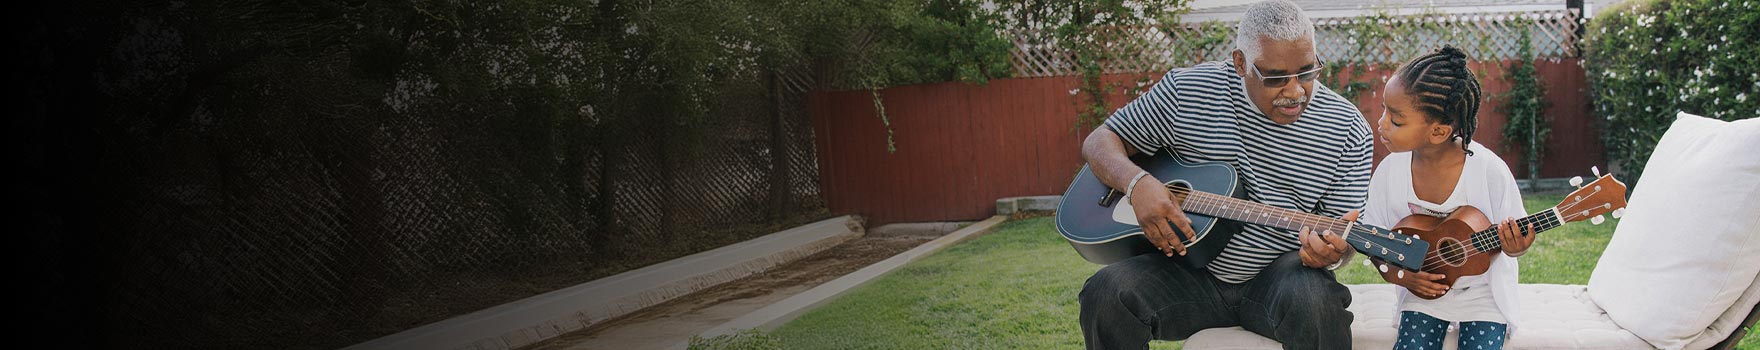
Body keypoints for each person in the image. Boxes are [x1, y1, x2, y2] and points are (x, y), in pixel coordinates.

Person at [1075, 1, 1372, 348]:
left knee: (1317, 302)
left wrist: (1332, 253)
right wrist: (1137, 184)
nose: (1295, 91)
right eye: (1275, 77)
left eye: (1308, 72)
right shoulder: (1187, 92)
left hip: (1280, 277)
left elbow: (1343, 237)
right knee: (1106, 294)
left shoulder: (1348, 129)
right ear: (1240, 63)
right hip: (1186, 272)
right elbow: (1101, 141)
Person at [1359, 46, 1538, 350]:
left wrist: (1517, 246)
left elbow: (1517, 235)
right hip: (1423, 291)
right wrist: (1405, 278)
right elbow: (1375, 244)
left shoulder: (1489, 171)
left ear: (1439, 131)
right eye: (1384, 110)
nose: (1382, 123)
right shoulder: (1390, 172)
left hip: (1484, 294)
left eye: (1397, 119)